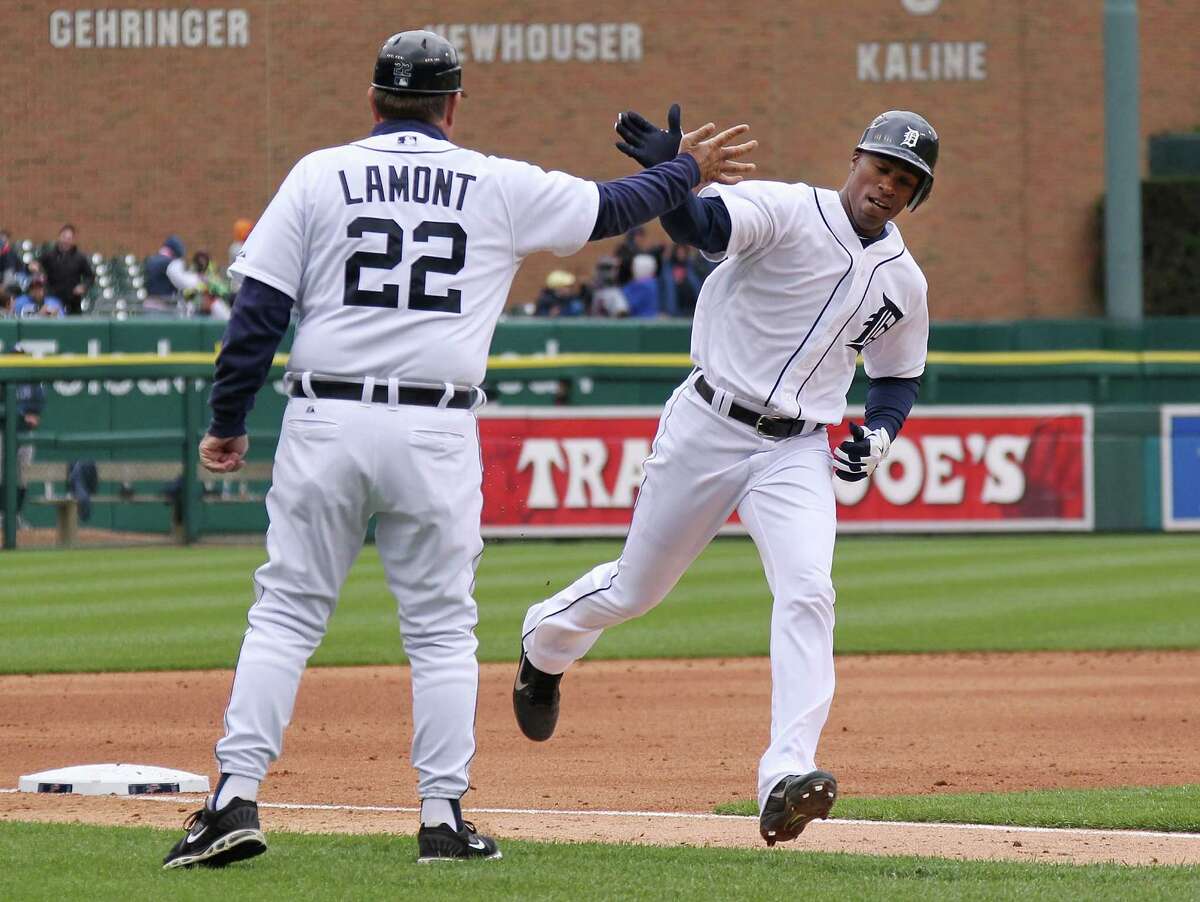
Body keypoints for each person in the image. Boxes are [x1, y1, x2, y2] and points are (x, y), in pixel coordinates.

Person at [161, 29, 755, 871]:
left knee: (287, 613)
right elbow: (614, 206)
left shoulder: (319, 172)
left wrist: (226, 419)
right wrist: (686, 170)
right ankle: (442, 818)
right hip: (436, 427)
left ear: (373, 100)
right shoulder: (495, 182)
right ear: (453, 105)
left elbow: (257, 312)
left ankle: (231, 801)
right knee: (441, 630)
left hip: (325, 416)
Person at [514, 107, 937, 847]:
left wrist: (880, 432)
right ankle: (545, 644)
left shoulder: (904, 282)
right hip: (709, 424)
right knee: (635, 590)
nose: (887, 185)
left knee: (809, 591)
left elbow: (898, 377)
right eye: (881, 167)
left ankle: (786, 774)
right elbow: (699, 228)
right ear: (855, 160)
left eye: (906, 181)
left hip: (797, 447)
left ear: (914, 196)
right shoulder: (784, 207)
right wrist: (665, 176)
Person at [37, 224, 93, 315]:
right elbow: (35, 265)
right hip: (53, 299)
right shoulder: (49, 255)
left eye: (69, 238)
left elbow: (90, 277)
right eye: (64, 237)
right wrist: (34, 268)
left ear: (73, 240)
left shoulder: (80, 258)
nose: (66, 241)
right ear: (59, 237)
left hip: (73, 302)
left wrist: (83, 286)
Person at [143, 236, 205, 315]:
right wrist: (198, 279)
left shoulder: (151, 260)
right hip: (163, 309)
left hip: (148, 306)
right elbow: (182, 282)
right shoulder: (171, 263)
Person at [621, 253, 660, 318]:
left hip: (639, 321)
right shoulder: (655, 283)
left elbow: (627, 304)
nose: (632, 269)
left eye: (634, 266)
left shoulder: (642, 286)